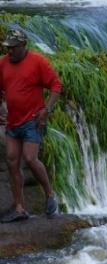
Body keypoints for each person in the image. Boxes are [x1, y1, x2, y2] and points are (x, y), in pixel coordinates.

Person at [0, 29, 62, 223]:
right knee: (11, 161)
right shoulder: (2, 63)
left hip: (33, 120)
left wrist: (47, 110)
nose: (10, 52)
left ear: (23, 46)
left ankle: (50, 195)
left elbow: (56, 86)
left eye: (13, 48)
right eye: (7, 48)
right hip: (12, 121)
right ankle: (19, 207)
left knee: (30, 157)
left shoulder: (38, 62)